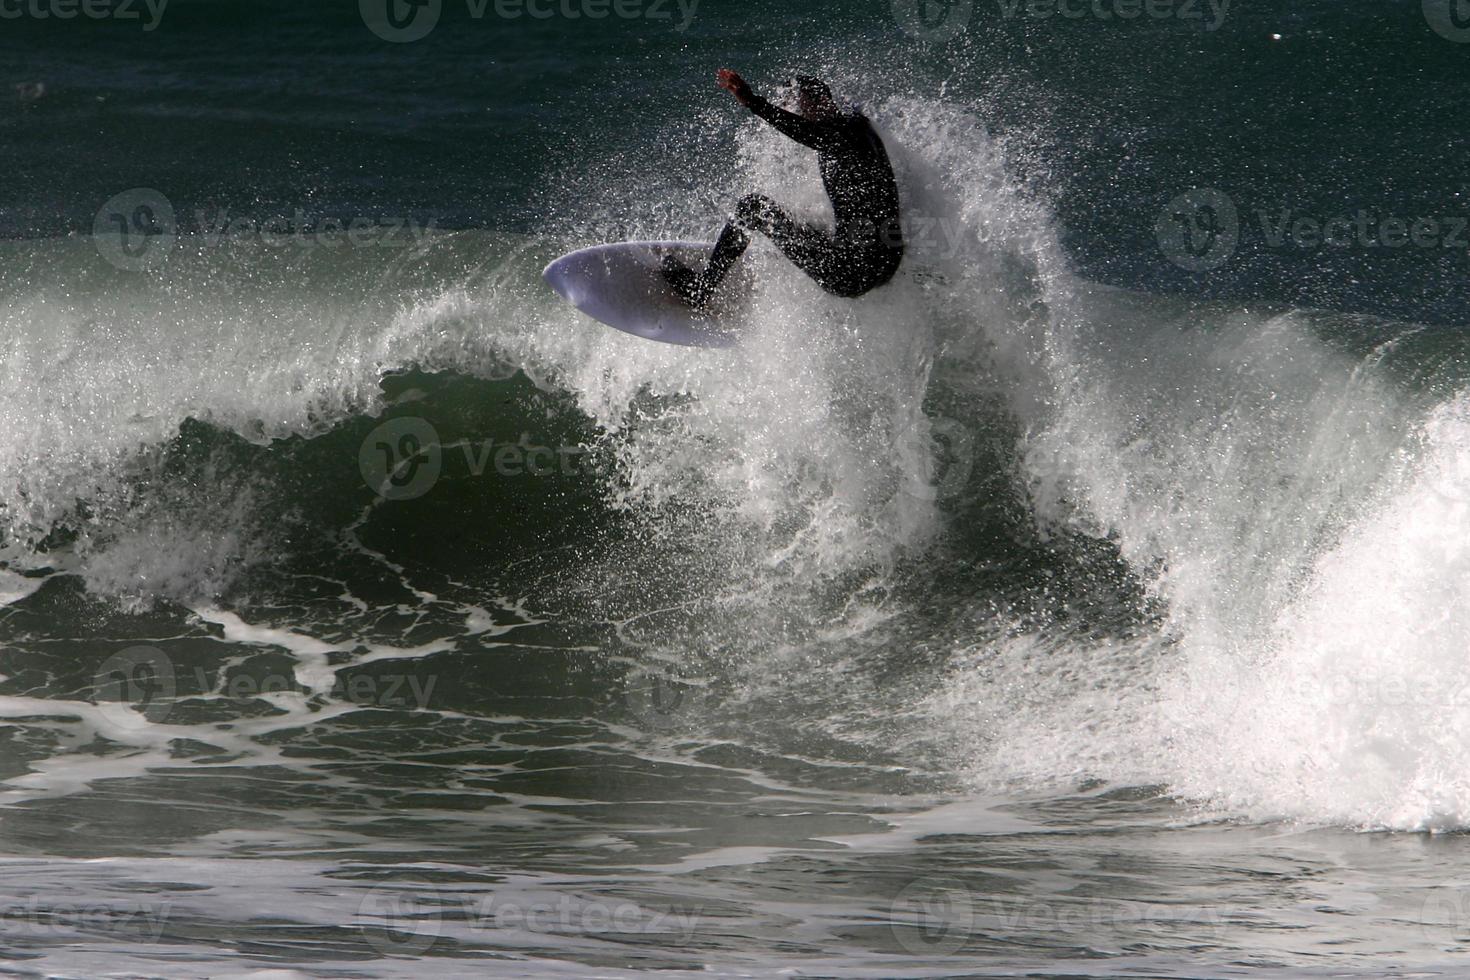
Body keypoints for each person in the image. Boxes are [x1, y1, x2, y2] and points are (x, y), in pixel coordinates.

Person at [662, 69, 904, 310]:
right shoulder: (861, 128)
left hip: (847, 274)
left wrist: (753, 103)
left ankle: (701, 291)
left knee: (752, 208)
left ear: (818, 101)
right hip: (887, 264)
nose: (797, 114)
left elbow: (809, 133)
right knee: (807, 224)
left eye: (797, 107)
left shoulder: (836, 136)